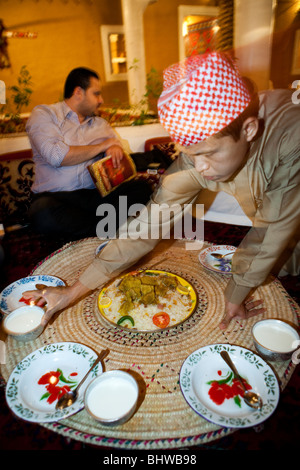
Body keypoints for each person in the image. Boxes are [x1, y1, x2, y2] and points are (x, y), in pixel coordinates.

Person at [23, 52, 300, 330]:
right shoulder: (197, 158)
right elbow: (146, 226)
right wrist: (72, 292)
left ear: (250, 130)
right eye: (191, 156)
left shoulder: (291, 134)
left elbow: (272, 227)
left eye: (209, 154)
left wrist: (236, 293)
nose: (200, 168)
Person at [26, 67, 152, 240]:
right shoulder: (44, 115)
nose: (101, 100)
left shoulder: (100, 124)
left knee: (142, 188)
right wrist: (103, 145)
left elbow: (117, 150)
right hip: (57, 198)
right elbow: (57, 156)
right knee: (43, 214)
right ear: (79, 92)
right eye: (96, 94)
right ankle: (105, 229)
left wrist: (114, 149)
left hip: (94, 196)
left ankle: (94, 230)